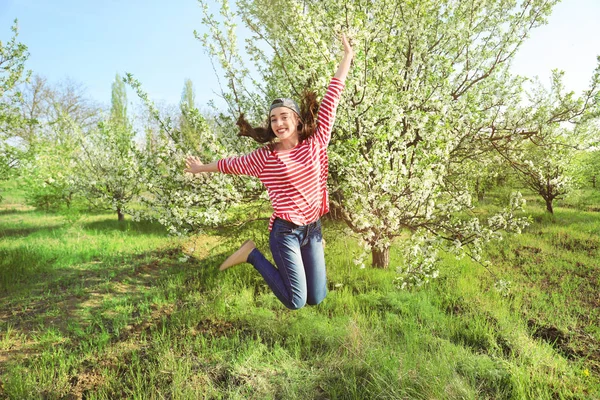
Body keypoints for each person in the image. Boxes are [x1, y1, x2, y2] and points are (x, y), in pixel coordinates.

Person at [184, 34, 353, 310]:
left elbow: (333, 97)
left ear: (296, 120)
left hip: (313, 229)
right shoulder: (266, 157)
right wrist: (200, 167)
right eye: (273, 119)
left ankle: (305, 253)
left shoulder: (317, 141)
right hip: (285, 232)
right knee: (296, 301)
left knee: (318, 297)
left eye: (284, 117)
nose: (278, 123)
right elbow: (230, 165)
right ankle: (250, 254)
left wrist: (347, 57)